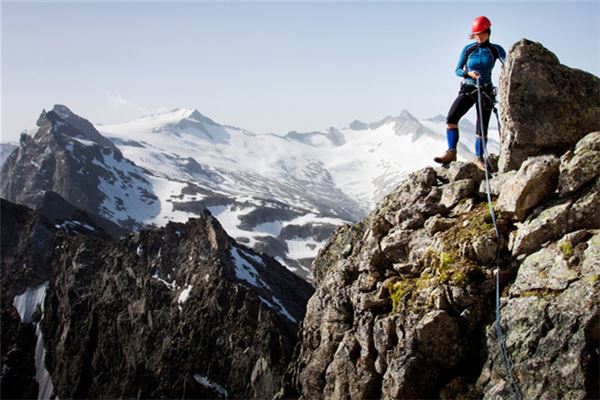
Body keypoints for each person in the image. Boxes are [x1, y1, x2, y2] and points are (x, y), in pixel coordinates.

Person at [433, 16, 506, 169]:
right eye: (476, 34)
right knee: (452, 118)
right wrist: (469, 74)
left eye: (481, 33)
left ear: (487, 32)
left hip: (485, 90)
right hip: (469, 87)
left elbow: (509, 63)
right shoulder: (468, 49)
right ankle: (451, 152)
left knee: (482, 127)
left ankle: (479, 158)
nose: (478, 36)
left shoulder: (495, 50)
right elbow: (458, 70)